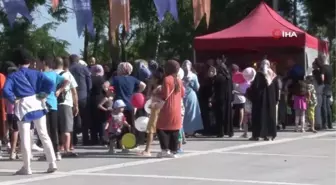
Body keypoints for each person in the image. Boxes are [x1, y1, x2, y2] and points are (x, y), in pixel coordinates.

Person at [3, 48, 57, 175]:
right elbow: (50, 84)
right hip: (37, 103)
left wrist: (13, 99)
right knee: (44, 134)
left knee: (25, 137)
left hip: (23, 106)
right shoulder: (37, 73)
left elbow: (6, 90)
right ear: (29, 61)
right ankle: (52, 163)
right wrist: (43, 95)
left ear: (17, 62)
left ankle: (27, 167)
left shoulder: (13, 76)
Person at [40, 56, 69, 161]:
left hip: (47, 103)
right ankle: (54, 152)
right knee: (51, 129)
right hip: (49, 104)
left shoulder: (45, 74)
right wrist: (59, 90)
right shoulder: (51, 74)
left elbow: (66, 81)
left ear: (44, 63)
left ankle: (53, 152)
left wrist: (59, 90)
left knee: (48, 129)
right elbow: (66, 81)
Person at [111, 62, 146, 146]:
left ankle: (120, 144)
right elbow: (143, 85)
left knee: (119, 125)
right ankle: (131, 143)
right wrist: (136, 92)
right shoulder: (133, 79)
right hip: (130, 105)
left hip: (118, 105)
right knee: (130, 125)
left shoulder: (115, 79)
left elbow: (105, 85)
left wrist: (111, 94)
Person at [156, 60, 185, 158]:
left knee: (161, 127)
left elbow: (165, 94)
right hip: (177, 108)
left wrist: (157, 93)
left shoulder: (167, 79)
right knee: (174, 128)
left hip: (168, 107)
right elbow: (182, 94)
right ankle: (174, 150)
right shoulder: (179, 80)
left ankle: (165, 150)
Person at [248, 59, 279, 141]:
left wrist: (249, 92)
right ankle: (269, 135)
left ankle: (257, 135)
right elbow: (277, 89)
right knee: (269, 117)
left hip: (260, 102)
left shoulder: (258, 75)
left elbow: (255, 88)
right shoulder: (273, 75)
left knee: (259, 117)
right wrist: (276, 99)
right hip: (270, 102)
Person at [54, 57, 79, 156]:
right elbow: (74, 92)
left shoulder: (50, 74)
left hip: (52, 104)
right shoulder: (68, 74)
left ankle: (56, 149)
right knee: (66, 128)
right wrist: (76, 105)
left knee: (54, 128)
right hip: (66, 103)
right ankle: (66, 149)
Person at [139, 68, 164, 157]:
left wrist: (153, 104)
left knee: (151, 130)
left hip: (156, 110)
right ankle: (160, 149)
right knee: (154, 130)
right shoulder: (157, 87)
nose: (150, 80)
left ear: (156, 79)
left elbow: (160, 100)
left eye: (152, 78)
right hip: (155, 110)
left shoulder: (159, 88)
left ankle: (148, 150)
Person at [69, 54, 92, 145]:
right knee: (85, 118)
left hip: (71, 97)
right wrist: (88, 90)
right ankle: (85, 139)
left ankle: (73, 139)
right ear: (78, 60)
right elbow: (89, 82)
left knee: (72, 118)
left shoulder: (68, 69)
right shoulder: (84, 68)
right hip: (83, 96)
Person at [209, 58, 233, 138]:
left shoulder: (219, 78)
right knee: (228, 115)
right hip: (228, 99)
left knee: (220, 115)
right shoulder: (229, 77)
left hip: (220, 99)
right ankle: (229, 131)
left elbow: (213, 87)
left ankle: (221, 132)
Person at [181, 60, 203, 136]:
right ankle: (182, 130)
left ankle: (191, 130)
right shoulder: (179, 75)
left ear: (190, 67)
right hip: (181, 95)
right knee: (182, 113)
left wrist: (190, 82)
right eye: (183, 65)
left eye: (186, 65)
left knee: (191, 112)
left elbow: (197, 87)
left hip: (190, 95)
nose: (185, 67)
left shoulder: (193, 76)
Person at [90, 64, 106, 145]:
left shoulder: (90, 78)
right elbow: (105, 89)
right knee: (101, 120)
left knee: (93, 120)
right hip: (100, 99)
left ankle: (94, 138)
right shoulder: (102, 79)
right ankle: (102, 137)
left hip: (91, 99)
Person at [317, 56, 333, 129]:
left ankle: (325, 123)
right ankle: (330, 124)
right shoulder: (330, 67)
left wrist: (322, 82)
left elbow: (322, 76)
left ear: (321, 61)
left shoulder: (323, 67)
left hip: (324, 86)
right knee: (328, 106)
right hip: (329, 86)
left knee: (324, 106)